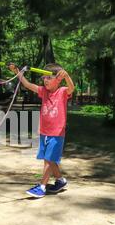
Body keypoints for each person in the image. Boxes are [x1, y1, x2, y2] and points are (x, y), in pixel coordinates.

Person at [8, 63, 75, 198]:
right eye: (44, 78)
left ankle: (42, 186)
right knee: (49, 160)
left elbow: (71, 88)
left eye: (49, 78)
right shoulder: (43, 91)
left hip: (57, 133)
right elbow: (27, 84)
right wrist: (17, 71)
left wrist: (67, 76)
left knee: (49, 159)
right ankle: (60, 181)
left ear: (58, 79)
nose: (45, 80)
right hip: (44, 131)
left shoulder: (62, 91)